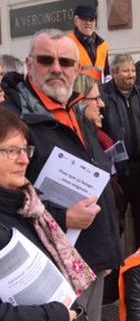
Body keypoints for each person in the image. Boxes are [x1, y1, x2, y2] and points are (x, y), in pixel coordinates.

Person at [1, 29, 122, 321]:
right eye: (46, 60)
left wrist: (108, 248)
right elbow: (9, 194)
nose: (57, 68)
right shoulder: (12, 117)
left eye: (66, 62)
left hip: (91, 254)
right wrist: (64, 216)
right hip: (51, 265)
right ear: (29, 64)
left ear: (77, 69)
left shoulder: (76, 107)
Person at [0, 108, 93, 321]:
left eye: (26, 150)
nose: (24, 160)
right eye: (13, 151)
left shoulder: (27, 206)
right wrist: (55, 315)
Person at [101, 54, 140, 248]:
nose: (131, 75)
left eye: (132, 70)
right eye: (125, 70)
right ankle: (115, 272)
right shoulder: (103, 95)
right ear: (114, 72)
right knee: (116, 221)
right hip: (117, 170)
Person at [68, 5, 109, 82]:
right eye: (85, 19)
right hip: (76, 92)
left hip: (99, 92)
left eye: (91, 20)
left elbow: (107, 74)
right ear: (76, 21)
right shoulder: (67, 43)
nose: (88, 23)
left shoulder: (103, 45)